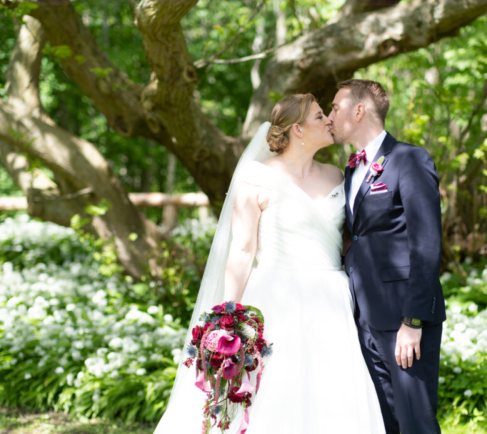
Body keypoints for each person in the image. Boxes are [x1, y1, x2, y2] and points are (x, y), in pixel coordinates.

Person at [154, 94, 386, 434]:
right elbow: (242, 250)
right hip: (276, 296)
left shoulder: (337, 175)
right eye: (319, 116)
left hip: (331, 298)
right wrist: (229, 315)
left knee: (332, 390)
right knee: (274, 391)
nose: (329, 120)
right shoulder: (256, 178)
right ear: (298, 130)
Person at [328, 79, 446, 434]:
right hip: (363, 315)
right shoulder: (351, 170)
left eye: (335, 108)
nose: (330, 116)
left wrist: (413, 322)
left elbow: (426, 244)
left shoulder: (410, 160)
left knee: (416, 422)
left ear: (358, 111)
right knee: (384, 423)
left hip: (402, 318)